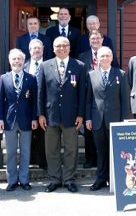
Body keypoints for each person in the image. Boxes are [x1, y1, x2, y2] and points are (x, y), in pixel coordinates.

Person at [37, 36, 86, 193]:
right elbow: (40, 92)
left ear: (69, 48)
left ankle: (69, 179)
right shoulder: (45, 66)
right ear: (53, 48)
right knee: (52, 149)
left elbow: (82, 93)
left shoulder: (79, 66)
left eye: (65, 45)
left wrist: (80, 114)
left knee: (71, 149)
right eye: (58, 46)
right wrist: (40, 114)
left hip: (71, 115)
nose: (62, 48)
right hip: (51, 115)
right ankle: (55, 179)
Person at [85, 46, 130, 191]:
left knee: (114, 151)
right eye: (101, 56)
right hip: (97, 119)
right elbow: (88, 99)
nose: (104, 58)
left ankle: (114, 179)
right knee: (101, 151)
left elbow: (125, 100)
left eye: (107, 56)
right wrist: (88, 119)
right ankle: (101, 179)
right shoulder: (91, 75)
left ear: (111, 58)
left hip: (115, 120)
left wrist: (124, 121)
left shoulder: (121, 74)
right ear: (97, 58)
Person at [0, 48, 38, 192]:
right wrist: (0, 118)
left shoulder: (31, 78)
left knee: (26, 152)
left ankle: (24, 180)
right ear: (10, 61)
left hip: (26, 120)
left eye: (19, 59)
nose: (16, 61)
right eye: (14, 59)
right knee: (11, 152)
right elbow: (0, 100)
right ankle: (12, 180)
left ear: (23, 61)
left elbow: (34, 101)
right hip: (9, 120)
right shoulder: (4, 78)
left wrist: (34, 118)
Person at [78, 30, 117, 168]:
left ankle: (107, 162)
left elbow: (115, 70)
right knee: (89, 131)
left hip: (104, 96)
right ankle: (90, 159)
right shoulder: (82, 56)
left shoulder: (108, 54)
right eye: (93, 39)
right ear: (89, 41)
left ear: (102, 40)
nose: (95, 41)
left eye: (98, 38)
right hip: (88, 95)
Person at [23, 39, 47, 170]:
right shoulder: (24, 65)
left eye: (39, 48)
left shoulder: (49, 64)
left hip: (44, 105)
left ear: (43, 50)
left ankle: (43, 161)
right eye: (34, 48)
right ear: (29, 50)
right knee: (28, 133)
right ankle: (31, 159)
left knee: (43, 135)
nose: (36, 50)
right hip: (27, 105)